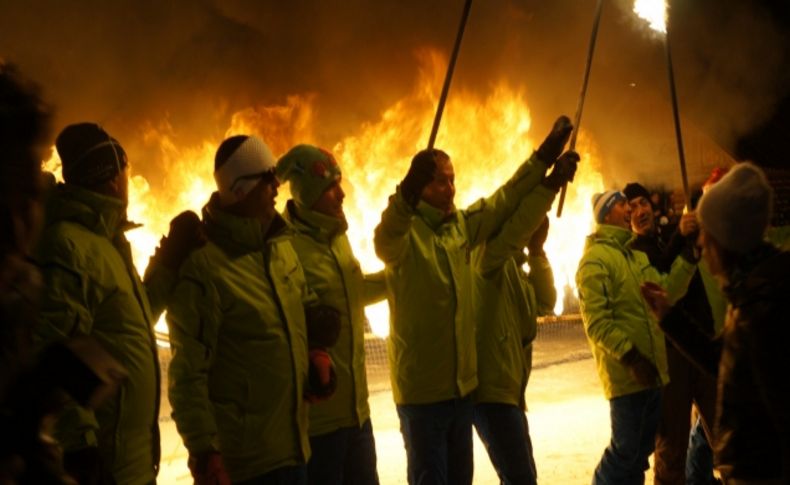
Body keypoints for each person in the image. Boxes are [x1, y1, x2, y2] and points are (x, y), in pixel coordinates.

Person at [374, 115, 578, 484]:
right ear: (421, 186)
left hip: (461, 392)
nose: (450, 189)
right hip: (422, 397)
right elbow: (384, 240)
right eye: (439, 181)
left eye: (453, 180)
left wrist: (545, 160)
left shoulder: (461, 230)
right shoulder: (405, 238)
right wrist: (404, 194)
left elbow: (506, 197)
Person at [32, 122, 200, 485]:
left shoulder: (107, 243)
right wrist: (80, 446)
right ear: (111, 177)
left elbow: (129, 327)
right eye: (126, 171)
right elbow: (55, 349)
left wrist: (167, 264)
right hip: (106, 463)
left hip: (132, 461)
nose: (128, 180)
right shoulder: (70, 246)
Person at [167, 135, 339, 485]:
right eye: (267, 177)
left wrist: (315, 352)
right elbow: (188, 375)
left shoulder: (278, 245)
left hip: (295, 448)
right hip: (247, 466)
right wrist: (205, 453)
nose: (277, 185)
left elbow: (300, 309)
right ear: (240, 190)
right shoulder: (204, 268)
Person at [641, 162, 790, 484]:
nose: (702, 247)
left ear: (725, 240)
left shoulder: (765, 309)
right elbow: (718, 357)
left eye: (705, 236)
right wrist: (668, 315)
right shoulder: (753, 294)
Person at [276, 144, 386, 485]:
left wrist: (397, 277)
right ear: (308, 194)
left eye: (340, 184)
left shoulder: (337, 237)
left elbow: (352, 294)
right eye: (330, 188)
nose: (341, 195)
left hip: (357, 415)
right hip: (319, 425)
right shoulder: (284, 244)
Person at [576, 189, 697, 485]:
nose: (629, 209)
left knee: (639, 454)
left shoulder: (634, 256)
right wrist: (631, 357)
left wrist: (689, 258)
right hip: (627, 378)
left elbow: (666, 289)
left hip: (653, 374)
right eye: (621, 205)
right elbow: (597, 322)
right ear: (606, 215)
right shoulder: (595, 261)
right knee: (625, 453)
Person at [473, 161, 569, 485]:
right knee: (520, 477)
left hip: (511, 391)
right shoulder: (486, 259)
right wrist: (550, 184)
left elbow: (546, 302)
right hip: (489, 392)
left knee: (522, 475)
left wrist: (539, 252)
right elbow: (516, 221)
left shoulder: (517, 268)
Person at [623, 182, 719, 485]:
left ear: (652, 206)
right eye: (632, 209)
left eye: (642, 204)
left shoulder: (672, 232)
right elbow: (661, 280)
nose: (639, 212)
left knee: (729, 435)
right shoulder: (633, 253)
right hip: (670, 359)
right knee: (671, 448)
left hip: (703, 344)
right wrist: (681, 237)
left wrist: (690, 231)